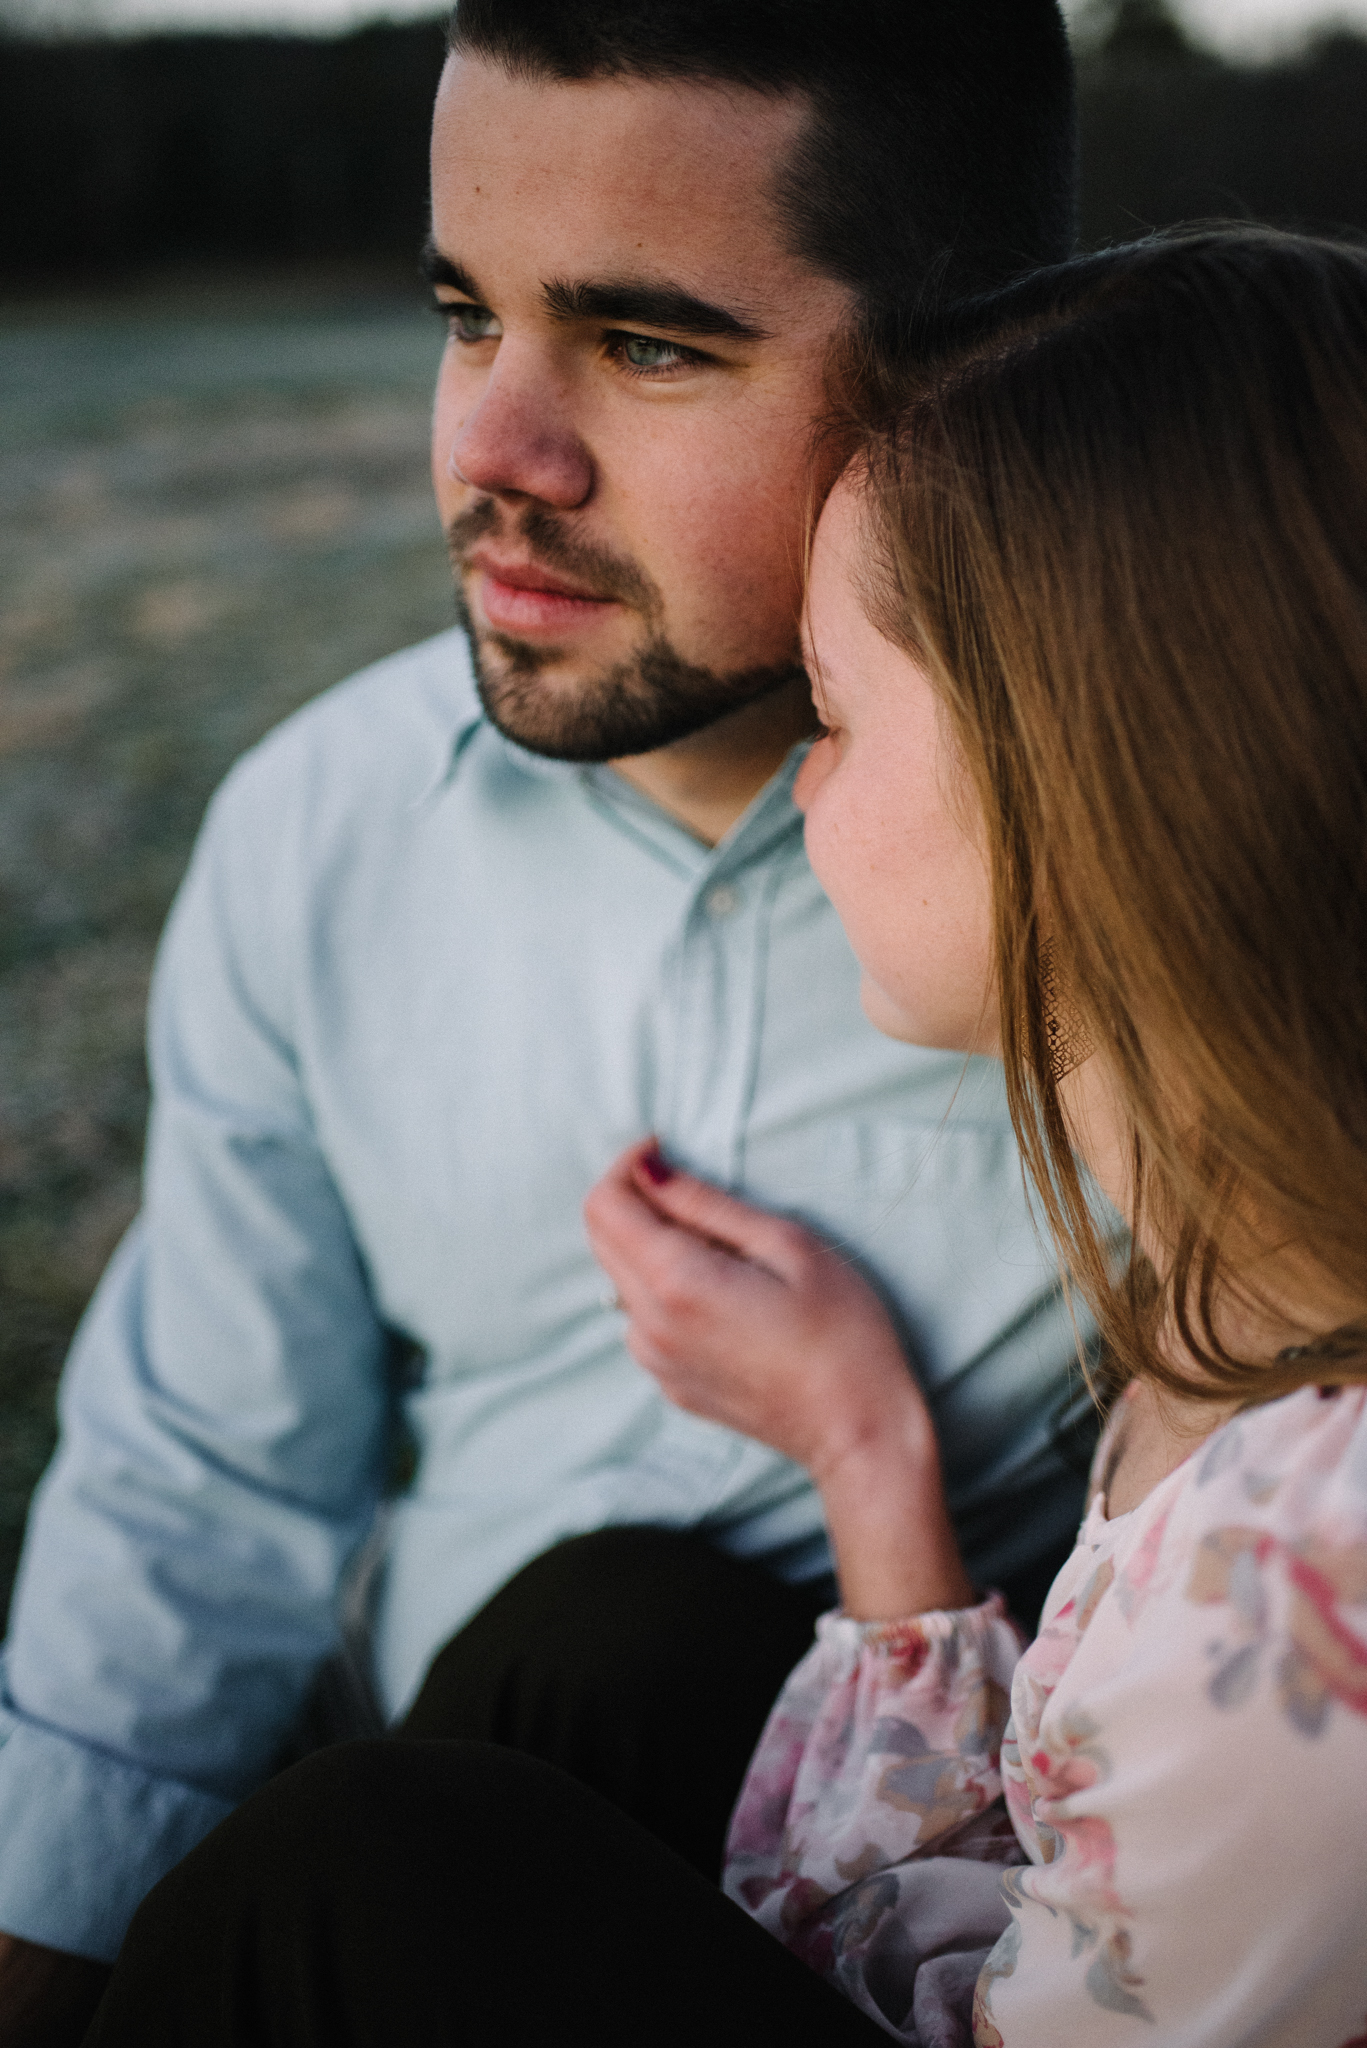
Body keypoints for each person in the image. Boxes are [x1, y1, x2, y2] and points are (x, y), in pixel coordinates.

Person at [82, 224, 1367, 2047]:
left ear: (1083, 793)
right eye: (462, 315)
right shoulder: (1234, 1300)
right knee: (620, 1621)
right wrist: (864, 1448)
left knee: (361, 1876)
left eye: (831, 720)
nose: (796, 786)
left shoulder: (1303, 1583)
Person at [0, 3, 1087, 2041]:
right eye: (460, 312)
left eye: (651, 343)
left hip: (956, 1901)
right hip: (438, 1828)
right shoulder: (319, 834)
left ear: (969, 381)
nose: (492, 451)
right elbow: (201, 1484)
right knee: (550, 1682)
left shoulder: (1154, 890)